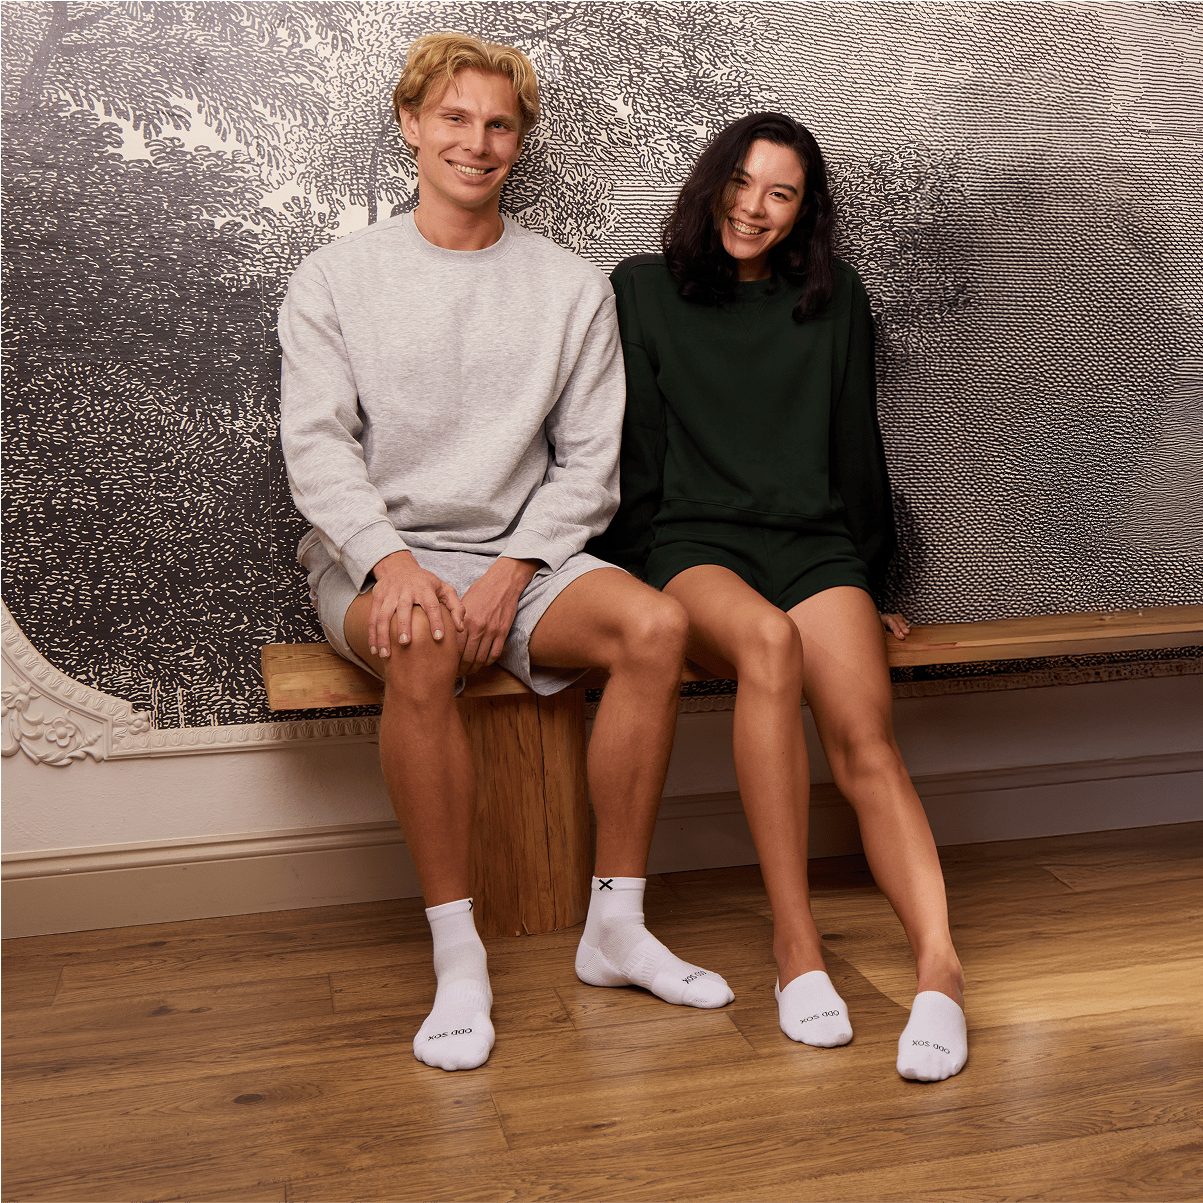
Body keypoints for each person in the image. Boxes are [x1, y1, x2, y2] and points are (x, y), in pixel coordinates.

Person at [277, 32, 733, 1073]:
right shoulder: (335, 278)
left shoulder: (569, 289)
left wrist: (513, 571)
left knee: (656, 625)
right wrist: (395, 566)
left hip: (522, 558)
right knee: (424, 642)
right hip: (372, 556)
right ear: (410, 124)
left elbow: (589, 468)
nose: (474, 143)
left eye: (497, 125)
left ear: (519, 143)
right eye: (453, 118)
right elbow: (317, 450)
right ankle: (458, 955)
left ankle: (616, 927)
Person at [590, 112, 967, 1082]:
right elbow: (631, 455)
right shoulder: (639, 290)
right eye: (743, 182)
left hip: (813, 545)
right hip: (695, 544)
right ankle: (795, 951)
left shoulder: (836, 301)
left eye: (781, 192)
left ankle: (940, 972)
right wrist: (635, 576)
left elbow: (856, 449)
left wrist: (870, 582)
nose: (755, 208)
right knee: (766, 645)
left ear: (805, 211)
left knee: (866, 740)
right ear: (713, 181)